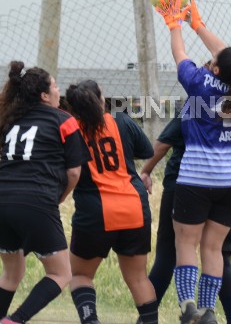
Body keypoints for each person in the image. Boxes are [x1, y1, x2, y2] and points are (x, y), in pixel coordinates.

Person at [154, 0, 231, 324]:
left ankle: (188, 305)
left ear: (216, 69)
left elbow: (180, 55)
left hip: (197, 178)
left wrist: (175, 24)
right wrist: (199, 25)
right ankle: (208, 311)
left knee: (186, 244)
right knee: (213, 249)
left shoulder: (201, 85)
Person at [140, 115, 231, 324]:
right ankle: (228, 319)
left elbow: (162, 143)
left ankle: (150, 319)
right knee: (220, 255)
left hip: (184, 184)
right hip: (225, 185)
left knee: (168, 256)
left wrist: (145, 170)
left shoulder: (196, 106)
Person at [0, 61, 90, 324]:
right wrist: (57, 199)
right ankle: (14, 321)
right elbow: (74, 173)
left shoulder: (12, 119)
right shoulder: (65, 121)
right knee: (61, 274)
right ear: (44, 95)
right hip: (35, 200)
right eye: (55, 87)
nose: (59, 92)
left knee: (12, 272)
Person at [64, 80, 159, 324]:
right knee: (139, 279)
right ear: (101, 100)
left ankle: (91, 320)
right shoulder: (120, 120)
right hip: (134, 208)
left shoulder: (69, 129)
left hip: (95, 211)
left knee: (81, 276)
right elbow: (147, 150)